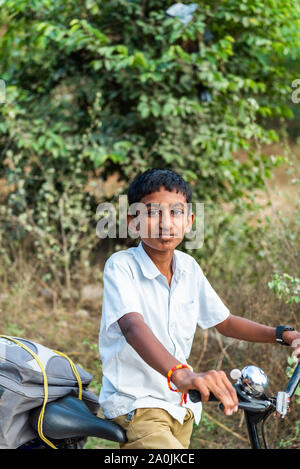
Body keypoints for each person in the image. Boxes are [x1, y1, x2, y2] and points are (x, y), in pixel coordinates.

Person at [98, 168, 300, 449]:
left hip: (182, 409)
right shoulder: (121, 266)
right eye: (153, 213)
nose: (165, 223)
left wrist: (285, 335)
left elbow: (225, 321)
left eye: (176, 212)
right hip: (138, 405)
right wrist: (180, 374)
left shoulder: (189, 268)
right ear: (133, 222)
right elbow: (133, 327)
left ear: (189, 221)